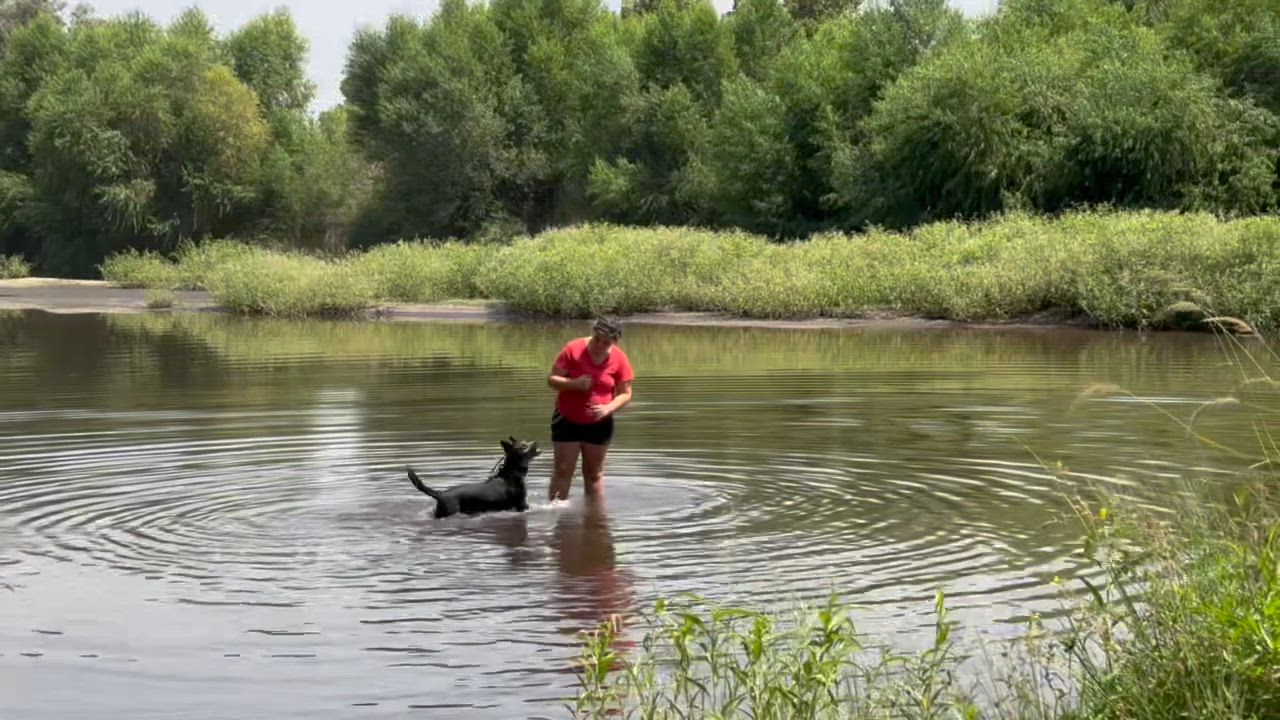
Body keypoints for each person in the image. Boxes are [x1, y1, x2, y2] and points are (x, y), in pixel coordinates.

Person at [545, 316, 634, 501]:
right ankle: (555, 515)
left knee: (594, 474)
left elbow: (625, 393)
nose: (599, 345)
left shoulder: (619, 358)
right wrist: (574, 384)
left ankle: (595, 521)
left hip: (600, 422)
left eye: (606, 342)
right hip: (567, 418)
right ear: (593, 333)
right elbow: (552, 380)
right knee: (563, 470)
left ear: (615, 341)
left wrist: (608, 408)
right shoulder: (573, 349)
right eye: (597, 339)